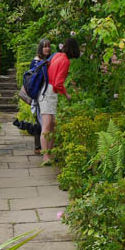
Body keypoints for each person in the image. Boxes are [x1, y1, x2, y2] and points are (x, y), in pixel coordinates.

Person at [39, 36, 80, 165]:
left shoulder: (56, 55)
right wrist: (66, 94)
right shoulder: (65, 61)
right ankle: (46, 156)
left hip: (45, 90)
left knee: (51, 125)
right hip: (49, 93)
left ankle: (49, 154)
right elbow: (58, 83)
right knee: (47, 126)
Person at [13, 38, 51, 153]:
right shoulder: (37, 62)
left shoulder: (45, 60)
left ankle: (38, 147)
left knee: (40, 121)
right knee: (41, 122)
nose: (47, 48)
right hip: (39, 94)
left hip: (43, 94)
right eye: (45, 46)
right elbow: (34, 80)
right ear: (40, 48)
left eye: (48, 46)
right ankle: (39, 147)